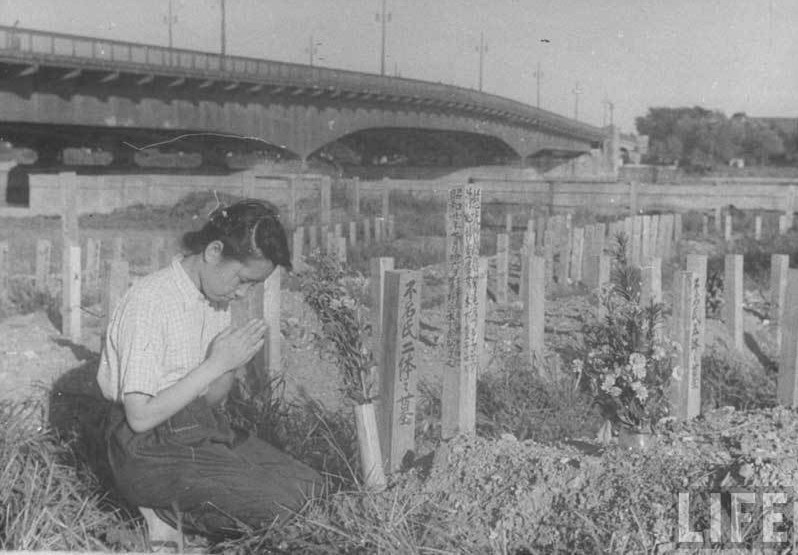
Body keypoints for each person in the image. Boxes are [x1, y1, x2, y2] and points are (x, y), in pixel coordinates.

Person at [97, 199, 322, 539]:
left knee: (313, 488)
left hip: (195, 426)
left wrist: (229, 366)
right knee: (282, 506)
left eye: (253, 286)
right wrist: (216, 363)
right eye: (242, 280)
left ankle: (181, 502)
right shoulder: (151, 301)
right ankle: (163, 514)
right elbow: (139, 417)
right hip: (144, 447)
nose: (243, 293)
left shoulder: (215, 298)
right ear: (214, 252)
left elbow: (210, 401)